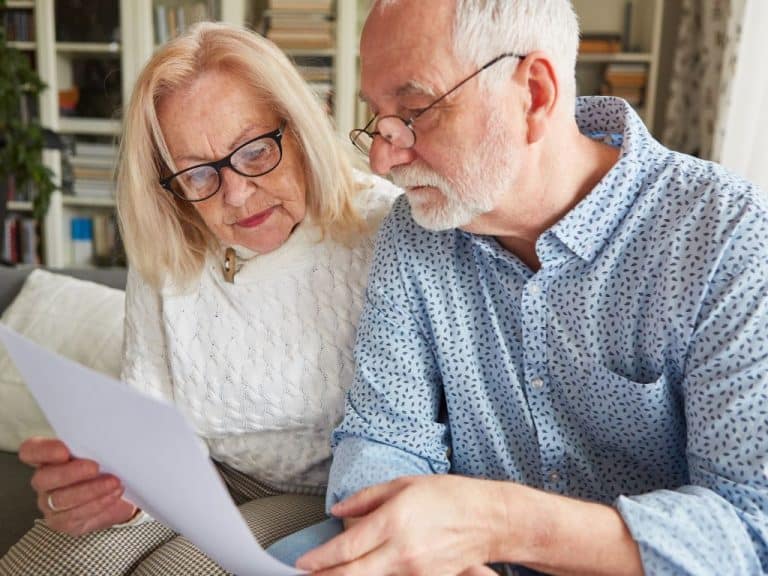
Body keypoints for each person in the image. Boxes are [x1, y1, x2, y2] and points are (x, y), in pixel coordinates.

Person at [267, 1, 768, 574]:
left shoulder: (730, 237)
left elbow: (751, 531)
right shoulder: (415, 231)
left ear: (533, 94)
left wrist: (498, 525)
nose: (383, 160)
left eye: (415, 112)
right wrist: (424, 555)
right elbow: (383, 436)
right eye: (378, 121)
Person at [0, 22, 399, 576]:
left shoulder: (386, 231)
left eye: (256, 151)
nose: (235, 194)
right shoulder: (169, 242)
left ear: (302, 127)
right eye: (197, 172)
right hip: (192, 473)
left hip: (324, 492)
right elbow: (149, 416)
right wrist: (114, 490)